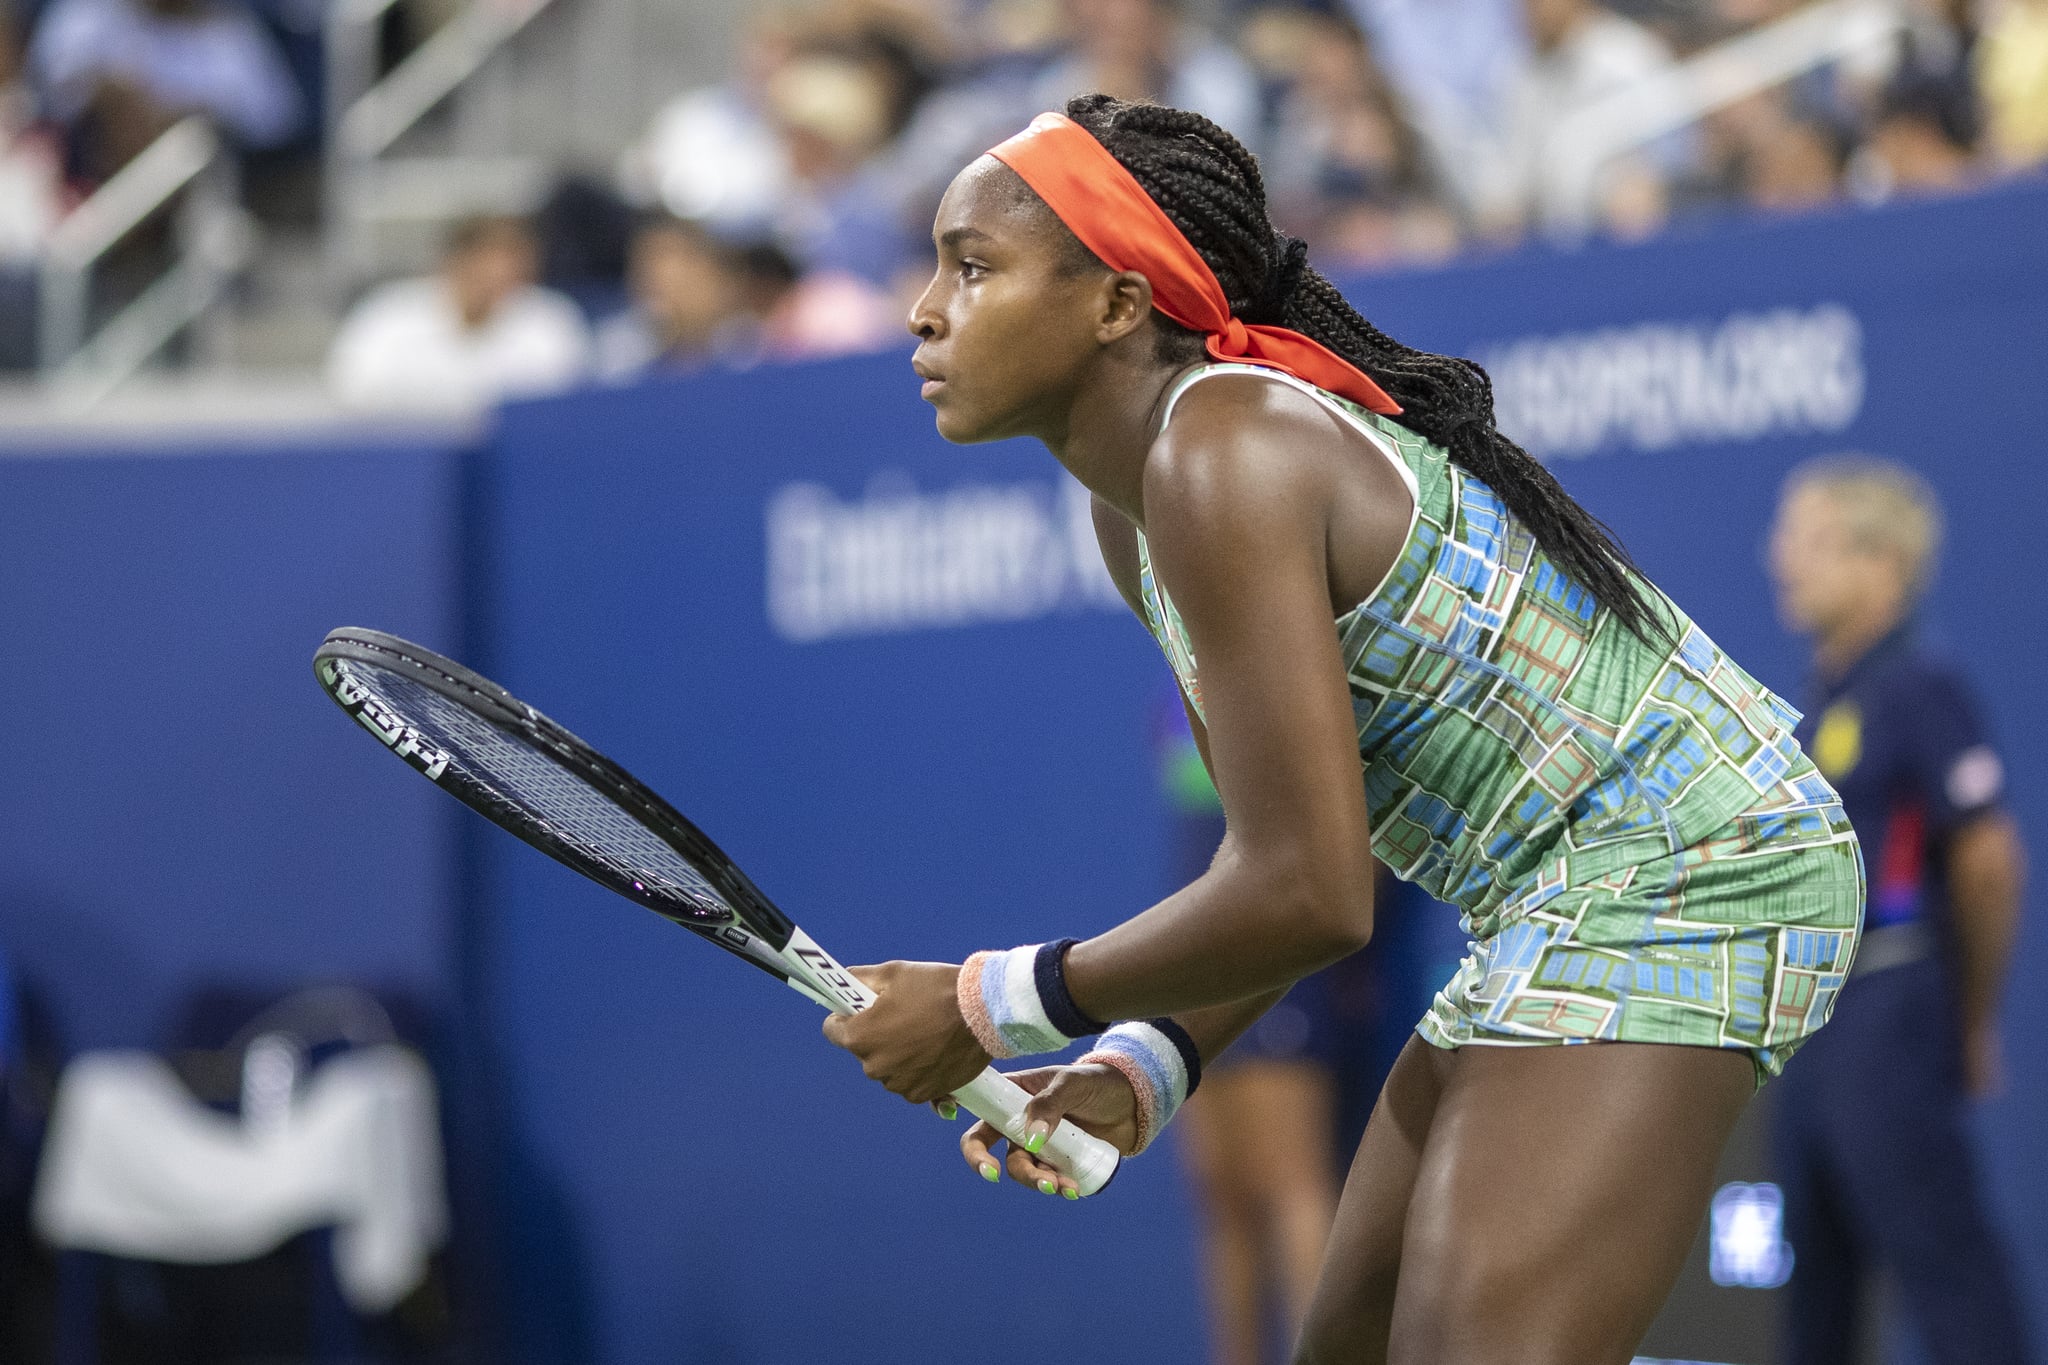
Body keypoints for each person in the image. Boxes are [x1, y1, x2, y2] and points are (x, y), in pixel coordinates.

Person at [823, 95, 1863, 1363]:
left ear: (1115, 303)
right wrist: (1145, 1066)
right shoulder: (1135, 511)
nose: (924, 309)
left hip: (1694, 871)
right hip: (1547, 902)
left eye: (972, 266)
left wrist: (994, 1005)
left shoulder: (1225, 445)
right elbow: (1295, 860)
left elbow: (1309, 893)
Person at [1765, 456, 2032, 1365]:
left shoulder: (1921, 688)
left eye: (1808, 539)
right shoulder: (1824, 705)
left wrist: (1968, 1015)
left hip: (1890, 1008)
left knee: (1949, 1277)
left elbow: (1990, 858)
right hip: (1819, 1027)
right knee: (1818, 1299)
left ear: (1882, 564)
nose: (1780, 560)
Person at [326, 216, 590, 414]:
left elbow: (564, 401)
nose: (497, 277)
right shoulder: (388, 315)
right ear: (455, 261)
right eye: (486, 262)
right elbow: (353, 389)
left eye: (514, 265)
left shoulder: (551, 321)